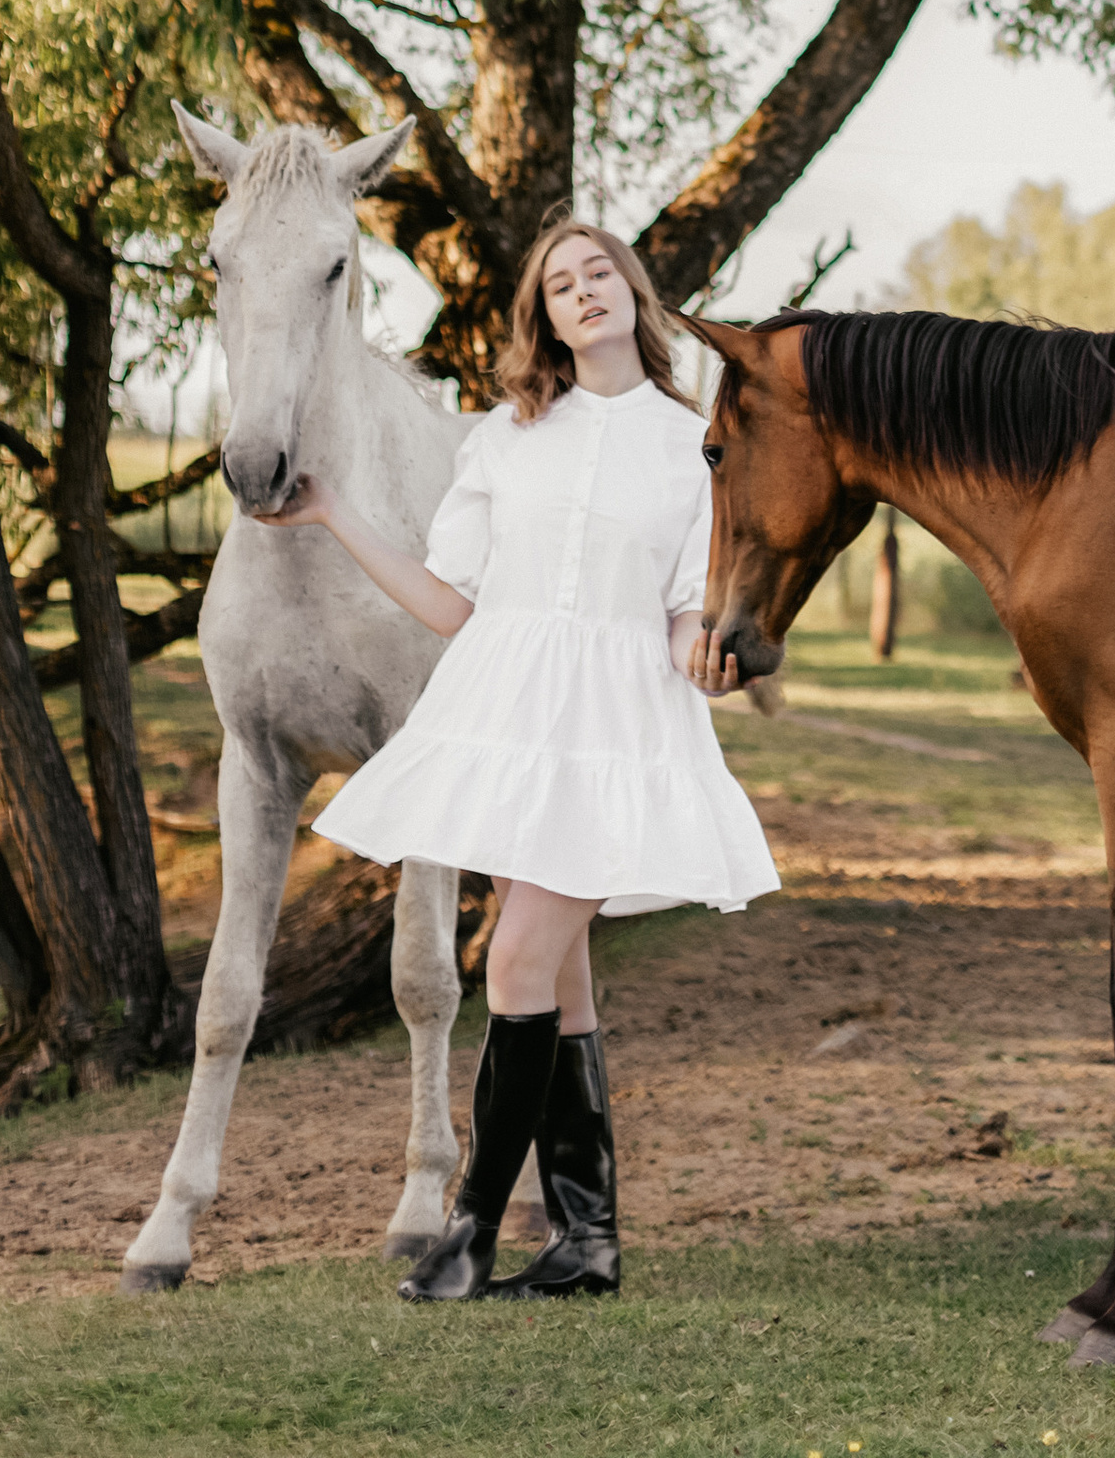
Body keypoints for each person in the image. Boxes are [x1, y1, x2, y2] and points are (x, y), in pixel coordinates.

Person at [257, 214, 777, 1300]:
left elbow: (684, 611)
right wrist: (337, 514)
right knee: (562, 982)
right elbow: (455, 605)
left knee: (513, 964)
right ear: (541, 318)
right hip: (505, 717)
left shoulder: (696, 448)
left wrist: (705, 658)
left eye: (599, 273)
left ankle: (470, 1231)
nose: (583, 292)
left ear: (633, 292)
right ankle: (587, 1241)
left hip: (608, 729)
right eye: (559, 285)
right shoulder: (506, 435)